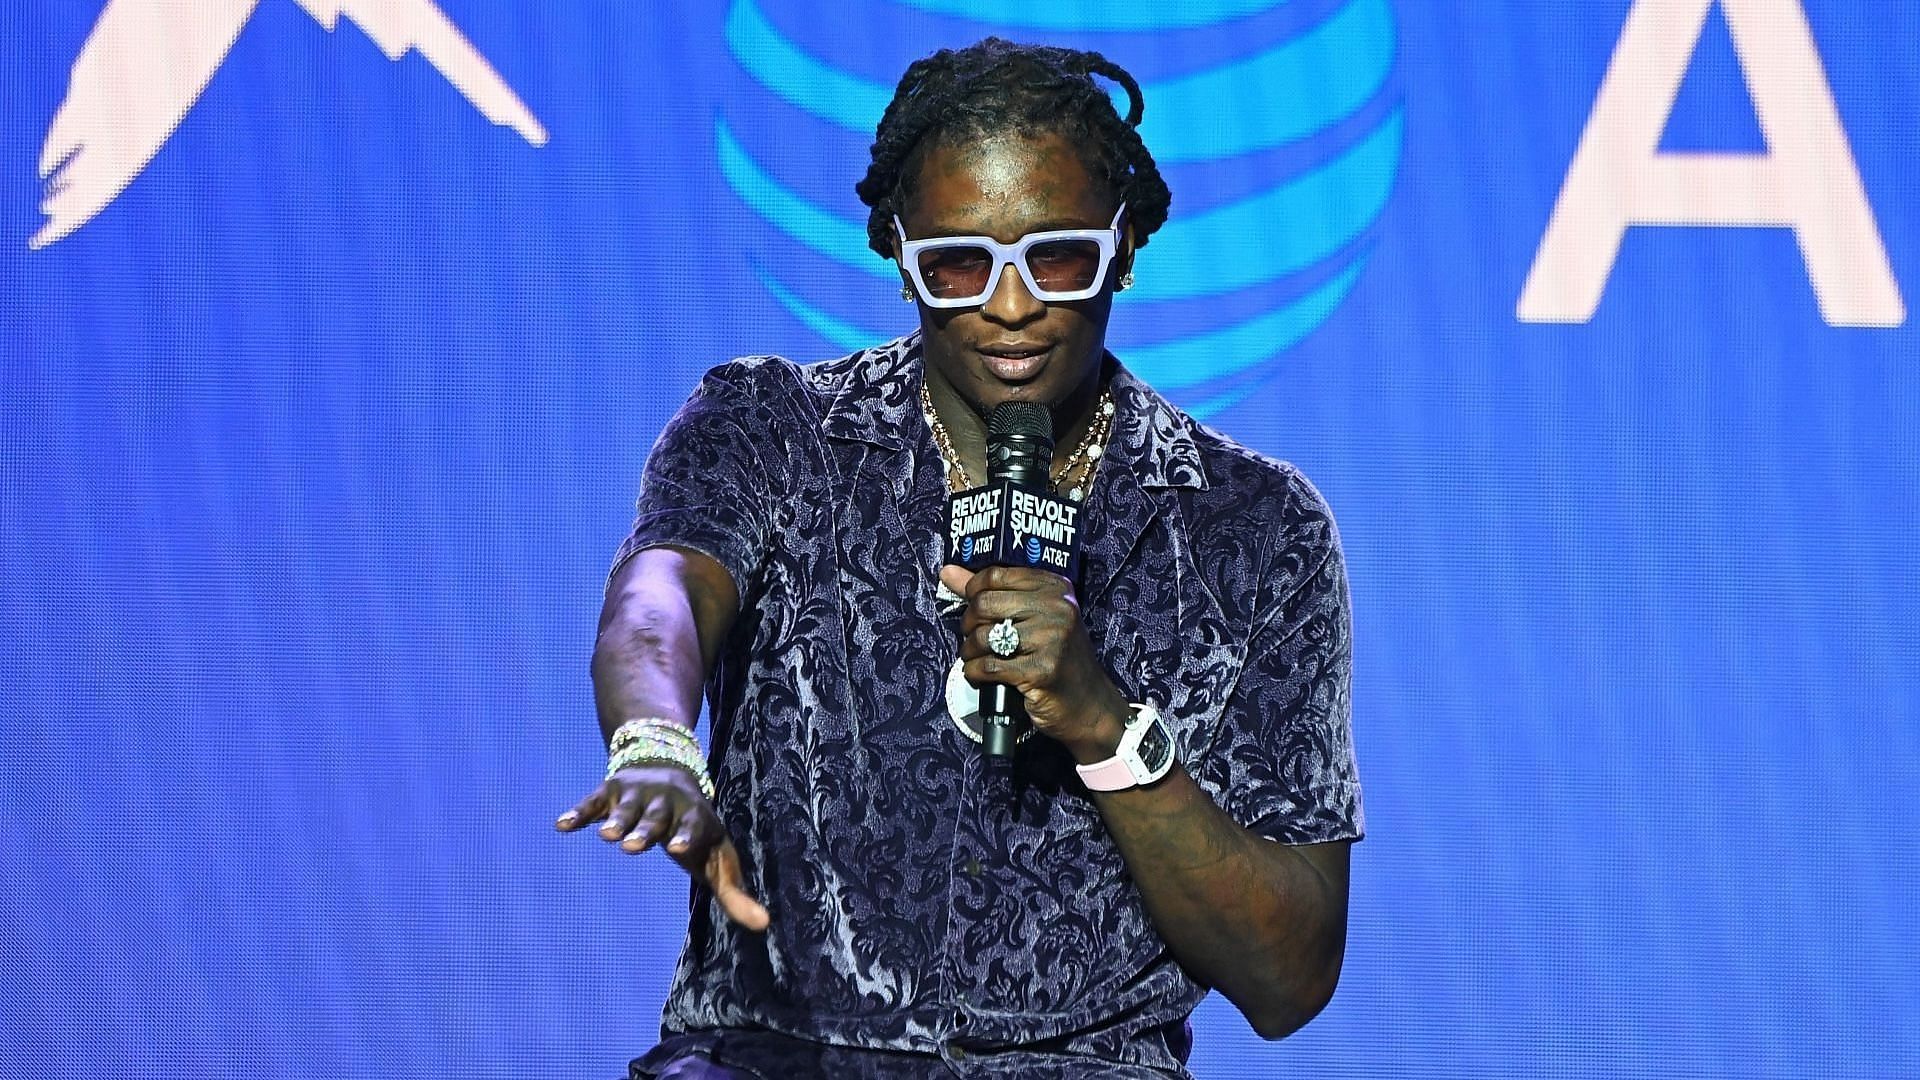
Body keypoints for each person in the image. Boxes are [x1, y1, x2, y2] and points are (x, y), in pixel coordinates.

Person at [556, 38, 1363, 1079]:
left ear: (1124, 246)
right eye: (959, 263)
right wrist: (655, 740)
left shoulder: (1253, 528)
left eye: (1058, 255)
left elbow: (1289, 975)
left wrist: (1102, 722)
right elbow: (661, 594)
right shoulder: (774, 431)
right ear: (900, 256)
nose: (1012, 304)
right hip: (773, 1057)